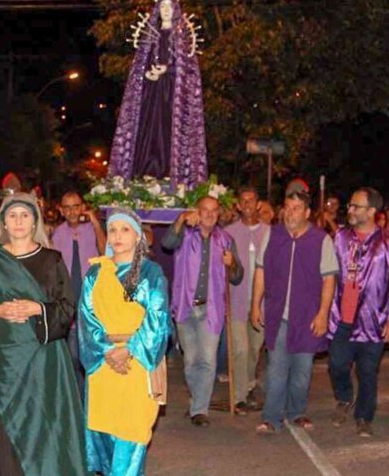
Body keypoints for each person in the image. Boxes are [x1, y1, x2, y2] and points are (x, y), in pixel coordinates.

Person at [0, 192, 87, 476]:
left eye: (25, 215)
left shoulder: (52, 260)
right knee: (3, 433)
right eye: (12, 215)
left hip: (41, 361)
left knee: (42, 428)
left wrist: (37, 308)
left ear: (35, 222)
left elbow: (67, 307)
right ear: (3, 222)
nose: (18, 221)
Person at [80, 208, 169, 475]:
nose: (118, 236)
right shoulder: (96, 273)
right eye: (113, 230)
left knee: (132, 436)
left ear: (138, 236)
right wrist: (108, 351)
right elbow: (86, 318)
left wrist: (129, 350)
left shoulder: (151, 273)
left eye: (125, 230)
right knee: (106, 436)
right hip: (104, 365)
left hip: (137, 364)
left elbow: (158, 317)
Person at [250, 188, 338, 433]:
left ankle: (297, 411)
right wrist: (255, 304)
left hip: (307, 318)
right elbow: (261, 271)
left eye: (297, 209)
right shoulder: (272, 235)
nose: (290, 213)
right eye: (288, 208)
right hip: (278, 316)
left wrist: (323, 314)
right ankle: (271, 417)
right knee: (276, 369)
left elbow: (329, 279)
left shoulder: (322, 240)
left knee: (302, 372)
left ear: (307, 212)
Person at [108, 0, 207, 187]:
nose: (165, 11)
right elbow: (138, 69)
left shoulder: (183, 38)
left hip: (173, 96)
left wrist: (168, 71)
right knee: (148, 130)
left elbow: (188, 71)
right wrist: (147, 75)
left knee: (167, 132)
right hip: (151, 94)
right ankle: (144, 171)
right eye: (162, 7)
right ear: (157, 10)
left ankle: (169, 173)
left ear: (176, 9)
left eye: (169, 7)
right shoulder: (149, 36)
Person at [328, 187, 389, 437]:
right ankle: (344, 397)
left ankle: (364, 416)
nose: (349, 210)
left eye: (355, 206)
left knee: (367, 372)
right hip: (342, 318)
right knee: (337, 364)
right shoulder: (340, 238)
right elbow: (329, 276)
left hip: (373, 320)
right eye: (349, 206)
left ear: (372, 211)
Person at [162, 196, 243, 426]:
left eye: (213, 211)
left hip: (212, 309)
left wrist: (232, 264)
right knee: (190, 361)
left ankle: (199, 409)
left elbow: (237, 277)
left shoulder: (226, 240)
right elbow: (167, 243)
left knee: (207, 360)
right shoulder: (185, 235)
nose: (208, 214)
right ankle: (197, 399)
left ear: (219, 214)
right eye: (204, 210)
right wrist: (180, 218)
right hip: (186, 306)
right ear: (197, 211)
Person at [52, 190, 107, 386]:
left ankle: (90, 399)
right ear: (62, 210)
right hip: (68, 301)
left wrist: (95, 223)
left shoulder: (92, 230)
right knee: (73, 356)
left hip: (90, 301)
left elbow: (105, 251)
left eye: (76, 206)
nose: (72, 211)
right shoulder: (57, 233)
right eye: (67, 207)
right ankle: (78, 398)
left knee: (89, 355)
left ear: (82, 208)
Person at [224, 187, 270, 414]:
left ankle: (249, 384)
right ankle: (239, 396)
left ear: (258, 204)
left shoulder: (269, 232)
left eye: (252, 200)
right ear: (238, 206)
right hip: (237, 302)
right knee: (240, 348)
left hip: (261, 304)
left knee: (254, 348)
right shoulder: (228, 233)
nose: (248, 204)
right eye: (244, 201)